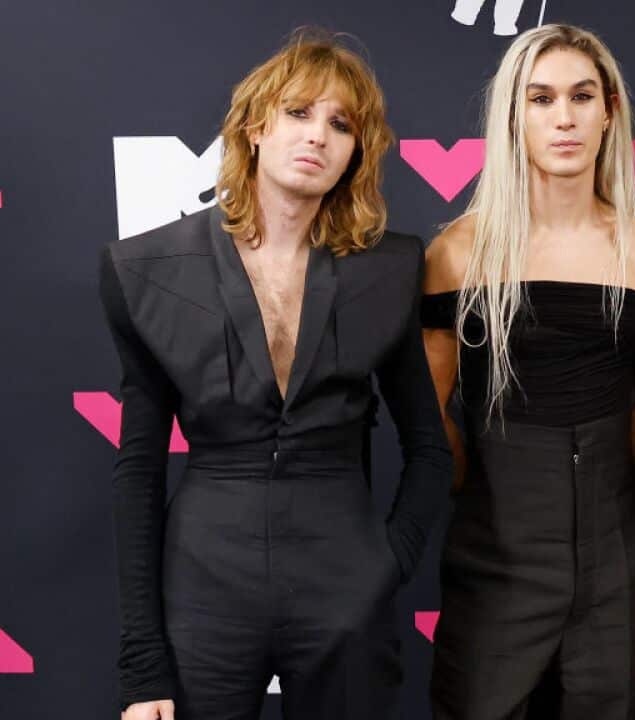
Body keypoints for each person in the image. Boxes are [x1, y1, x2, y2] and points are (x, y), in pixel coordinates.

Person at [100, 31, 452, 720]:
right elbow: (138, 470)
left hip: (345, 584)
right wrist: (143, 666)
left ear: (357, 151)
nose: (317, 136)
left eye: (341, 123)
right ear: (255, 127)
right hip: (203, 588)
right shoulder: (145, 271)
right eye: (299, 112)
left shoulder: (389, 270)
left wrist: (385, 566)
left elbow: (429, 448)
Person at [420, 23, 635, 719]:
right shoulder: (457, 254)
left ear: (609, 114)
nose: (563, 118)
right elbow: (430, 423)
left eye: (581, 96)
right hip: (495, 562)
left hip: (615, 563)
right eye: (541, 99)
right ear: (513, 117)